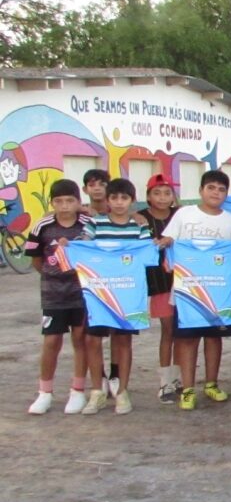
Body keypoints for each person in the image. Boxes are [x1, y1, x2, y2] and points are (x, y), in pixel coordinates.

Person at [158, 170, 231, 411]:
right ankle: (188, 387)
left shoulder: (230, 221)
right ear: (201, 190)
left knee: (214, 339)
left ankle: (211, 384)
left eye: (221, 189)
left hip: (217, 292)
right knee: (188, 340)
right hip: (186, 292)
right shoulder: (184, 215)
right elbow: (167, 242)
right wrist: (166, 244)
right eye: (211, 187)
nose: (216, 193)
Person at [80, 178, 153, 414]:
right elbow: (83, 248)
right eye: (114, 198)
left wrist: (158, 244)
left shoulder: (140, 226)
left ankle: (122, 392)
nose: (119, 202)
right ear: (107, 200)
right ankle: (97, 391)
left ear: (132, 200)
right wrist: (68, 245)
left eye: (124, 198)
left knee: (123, 340)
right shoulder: (95, 224)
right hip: (98, 292)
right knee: (92, 340)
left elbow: (147, 255)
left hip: (127, 293)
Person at [26, 179, 92, 415]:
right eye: (59, 201)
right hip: (53, 295)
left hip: (82, 294)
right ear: (52, 203)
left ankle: (77, 391)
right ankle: (44, 393)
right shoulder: (42, 226)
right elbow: (35, 259)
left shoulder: (88, 225)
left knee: (81, 340)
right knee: (52, 342)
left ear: (78, 202)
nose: (64, 206)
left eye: (69, 201)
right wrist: (50, 275)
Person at [138, 174, 181, 404]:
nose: (162, 198)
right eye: (157, 193)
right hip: (159, 283)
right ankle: (165, 381)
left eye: (167, 193)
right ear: (148, 196)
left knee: (182, 332)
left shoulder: (180, 215)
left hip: (184, 280)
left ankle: (180, 379)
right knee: (168, 330)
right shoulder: (140, 218)